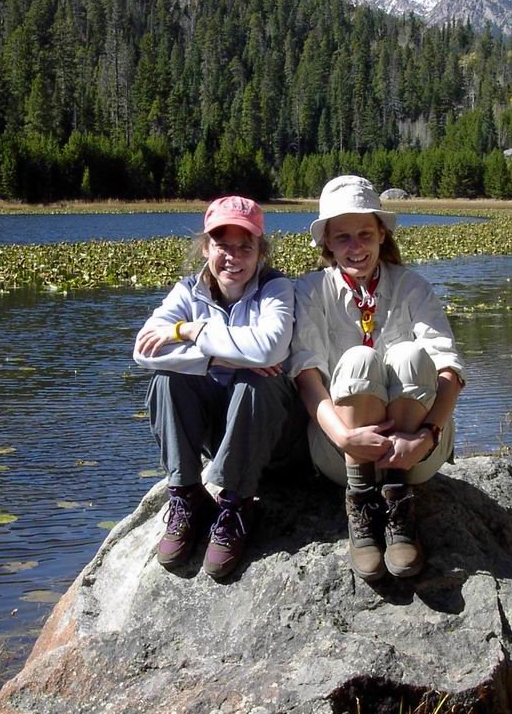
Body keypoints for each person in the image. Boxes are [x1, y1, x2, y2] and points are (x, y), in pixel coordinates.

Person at [290, 175, 464, 582]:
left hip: (417, 450)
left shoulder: (412, 286)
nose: (356, 247)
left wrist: (426, 437)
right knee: (358, 359)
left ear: (382, 234)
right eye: (343, 237)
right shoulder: (311, 291)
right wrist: (344, 438)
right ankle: (362, 504)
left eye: (365, 234)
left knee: (408, 354)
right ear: (327, 243)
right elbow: (306, 375)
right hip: (341, 452)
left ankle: (400, 503)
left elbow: (451, 370)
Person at [133, 196, 295, 580]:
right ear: (206, 247)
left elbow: (270, 349)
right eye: (222, 245)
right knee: (168, 380)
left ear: (260, 251)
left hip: (271, 432)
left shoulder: (277, 289)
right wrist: (213, 354)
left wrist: (192, 336)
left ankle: (237, 504)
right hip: (218, 430)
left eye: (245, 247)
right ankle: (188, 493)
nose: (233, 257)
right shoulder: (187, 292)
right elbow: (143, 350)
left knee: (257, 379)